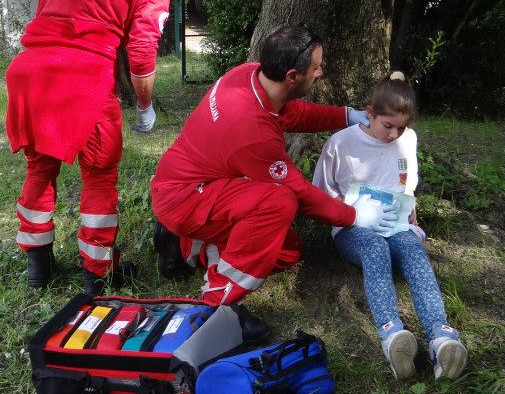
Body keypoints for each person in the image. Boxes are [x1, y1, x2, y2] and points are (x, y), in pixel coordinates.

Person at [5, 0, 194, 291]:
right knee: (100, 176)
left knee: (39, 167)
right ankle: (97, 273)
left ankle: (38, 265)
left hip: (32, 69)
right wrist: (145, 106)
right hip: (85, 79)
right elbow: (142, 53)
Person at [151, 24, 401, 305]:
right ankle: (219, 297)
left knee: (286, 251)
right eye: (316, 68)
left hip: (195, 182)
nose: (320, 72)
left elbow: (292, 113)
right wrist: (354, 216)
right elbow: (300, 194)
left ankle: (184, 243)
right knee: (279, 202)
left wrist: (345, 116)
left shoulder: (250, 74)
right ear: (292, 76)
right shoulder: (252, 132)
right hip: (184, 197)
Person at [312, 72, 468, 380]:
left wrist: (410, 206)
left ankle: (442, 336)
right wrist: (351, 214)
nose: (395, 134)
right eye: (388, 125)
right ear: (369, 112)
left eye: (402, 126)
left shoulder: (407, 139)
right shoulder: (341, 144)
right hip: (352, 229)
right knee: (375, 249)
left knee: (413, 251)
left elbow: (405, 181)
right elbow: (319, 196)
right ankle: (392, 333)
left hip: (396, 224)